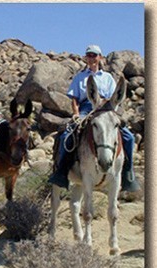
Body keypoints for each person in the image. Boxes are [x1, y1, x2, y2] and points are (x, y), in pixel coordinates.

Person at [49, 44, 140, 192]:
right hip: (86, 109)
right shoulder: (79, 77)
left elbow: (114, 99)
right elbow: (74, 98)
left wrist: (112, 112)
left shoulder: (108, 78)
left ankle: (127, 173)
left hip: (107, 109)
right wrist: (76, 113)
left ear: (100, 58)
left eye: (94, 55)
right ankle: (62, 172)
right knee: (67, 135)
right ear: (86, 58)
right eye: (89, 55)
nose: (91, 58)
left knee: (128, 137)